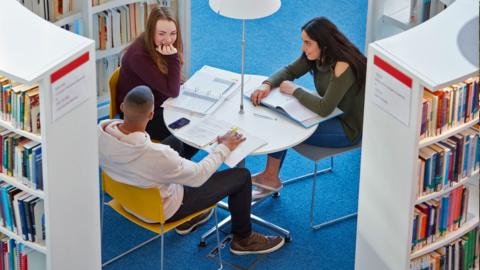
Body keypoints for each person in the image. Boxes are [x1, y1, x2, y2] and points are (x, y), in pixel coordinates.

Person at [98, 85, 285, 255]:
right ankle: (243, 239)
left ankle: (193, 218)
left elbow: (161, 158)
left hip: (127, 198)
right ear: (151, 114)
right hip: (162, 209)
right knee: (242, 176)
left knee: (177, 142)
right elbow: (198, 176)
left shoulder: (100, 134)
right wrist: (224, 147)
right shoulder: (158, 155)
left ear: (122, 107)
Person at [249, 17, 366, 200]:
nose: (304, 48)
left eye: (308, 43)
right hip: (329, 114)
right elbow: (289, 71)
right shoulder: (315, 55)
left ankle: (271, 178)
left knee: (285, 126)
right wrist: (267, 84)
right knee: (282, 114)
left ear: (324, 44)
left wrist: (295, 91)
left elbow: (325, 108)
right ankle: (269, 175)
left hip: (347, 127)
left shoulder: (343, 65)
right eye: (303, 42)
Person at [116, 7, 197, 158]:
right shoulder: (138, 56)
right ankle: (172, 166)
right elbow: (172, 91)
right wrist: (173, 58)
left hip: (159, 101)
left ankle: (177, 164)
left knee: (197, 121)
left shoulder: (160, 46)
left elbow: (172, 85)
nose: (168, 39)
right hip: (140, 115)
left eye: (173, 33)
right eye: (161, 34)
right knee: (192, 131)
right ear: (150, 32)